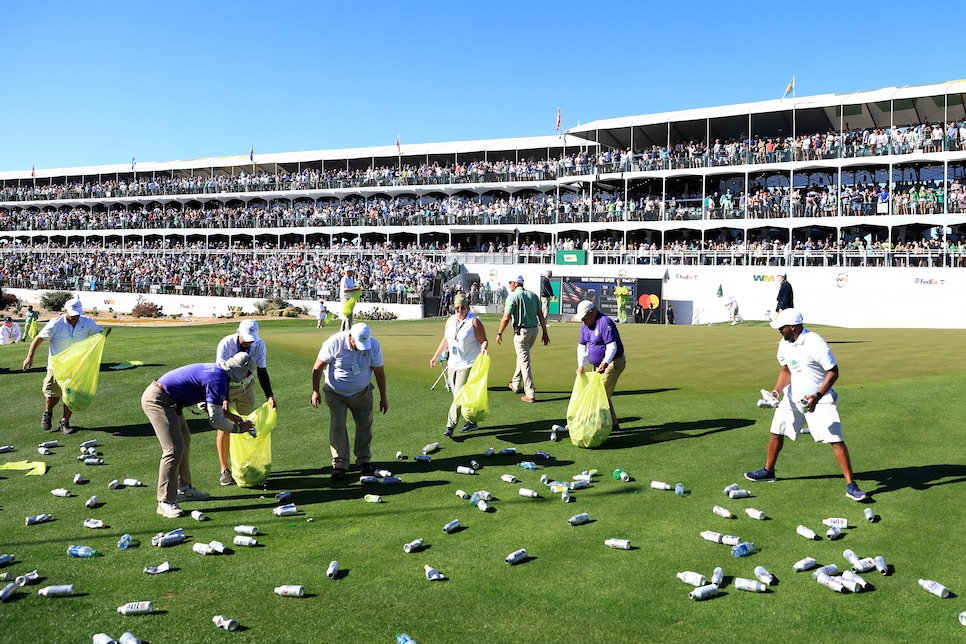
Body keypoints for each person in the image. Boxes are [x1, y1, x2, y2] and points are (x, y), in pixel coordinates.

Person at [744, 308, 867, 502]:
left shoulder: (815, 342)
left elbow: (833, 371)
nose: (779, 331)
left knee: (836, 439)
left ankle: (851, 485)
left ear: (792, 326)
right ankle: (769, 471)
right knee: (777, 431)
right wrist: (776, 391)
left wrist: (817, 396)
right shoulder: (785, 343)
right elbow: (786, 370)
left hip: (820, 398)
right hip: (793, 396)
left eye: (781, 327)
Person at [142, 352, 256, 518]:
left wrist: (230, 416)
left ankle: (184, 488)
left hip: (170, 401)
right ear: (240, 371)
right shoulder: (219, 380)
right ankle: (165, 501)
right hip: (159, 400)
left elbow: (205, 404)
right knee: (173, 448)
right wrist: (238, 429)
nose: (248, 377)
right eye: (248, 373)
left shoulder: (218, 373)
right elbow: (215, 421)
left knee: (184, 440)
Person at [311, 322, 388, 480]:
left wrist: (383, 397)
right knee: (338, 426)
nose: (361, 348)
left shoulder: (372, 345)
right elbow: (318, 367)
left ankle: (363, 460)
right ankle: (340, 463)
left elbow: (379, 372)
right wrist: (315, 391)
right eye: (357, 343)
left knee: (365, 426)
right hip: (335, 392)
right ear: (350, 336)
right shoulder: (334, 342)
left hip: (362, 392)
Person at [22, 298, 111, 434]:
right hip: (56, 365)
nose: (75, 317)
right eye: (72, 313)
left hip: (77, 366)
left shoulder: (87, 322)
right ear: (65, 310)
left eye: (77, 314)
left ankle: (65, 422)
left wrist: (105, 333)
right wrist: (30, 356)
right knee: (52, 394)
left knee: (71, 396)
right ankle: (48, 412)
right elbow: (39, 338)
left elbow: (98, 335)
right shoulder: (55, 323)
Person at [212, 320, 276, 486]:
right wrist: (224, 399)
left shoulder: (259, 344)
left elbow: (262, 371)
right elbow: (220, 373)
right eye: (246, 338)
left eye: (252, 338)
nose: (249, 342)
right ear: (238, 332)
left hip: (246, 387)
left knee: (247, 425)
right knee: (224, 426)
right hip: (226, 386)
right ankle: (225, 470)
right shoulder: (226, 344)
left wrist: (269, 395)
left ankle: (246, 463)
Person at [430, 294, 489, 437]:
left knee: (458, 396)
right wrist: (435, 356)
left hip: (468, 363)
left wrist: (484, 349)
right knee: (459, 395)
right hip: (452, 363)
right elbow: (446, 340)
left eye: (462, 307)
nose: (459, 310)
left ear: (467, 307)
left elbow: (484, 340)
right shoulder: (450, 321)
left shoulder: (473, 321)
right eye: (457, 308)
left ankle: (450, 426)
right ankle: (471, 421)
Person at [496, 275, 549, 403]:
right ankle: (515, 383)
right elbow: (540, 315)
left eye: (510, 282)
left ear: (516, 283)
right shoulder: (533, 295)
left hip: (521, 332)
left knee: (524, 362)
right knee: (522, 358)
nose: (509, 285)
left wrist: (499, 333)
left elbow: (506, 317)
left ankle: (530, 393)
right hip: (534, 331)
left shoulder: (513, 296)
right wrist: (545, 332)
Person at [575, 300, 626, 430]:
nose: (583, 321)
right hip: (598, 365)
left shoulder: (605, 322)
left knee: (599, 395)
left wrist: (605, 362)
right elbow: (582, 346)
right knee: (603, 394)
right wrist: (581, 364)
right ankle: (613, 424)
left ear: (591, 313)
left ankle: (599, 427)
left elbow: (612, 346)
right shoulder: (585, 325)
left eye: (584, 318)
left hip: (612, 363)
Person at [340, 265, 362, 331]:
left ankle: (343, 329)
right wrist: (355, 289)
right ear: (347, 272)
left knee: (348, 314)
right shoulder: (344, 279)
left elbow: (351, 287)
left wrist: (357, 286)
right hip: (345, 297)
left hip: (350, 297)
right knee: (348, 313)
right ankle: (347, 329)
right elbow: (345, 290)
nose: (352, 272)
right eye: (351, 271)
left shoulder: (351, 279)